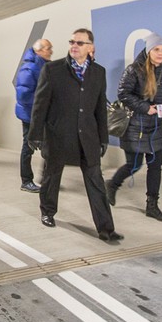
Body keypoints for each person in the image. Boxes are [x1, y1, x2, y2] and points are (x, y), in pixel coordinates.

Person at [28, 28, 123, 242]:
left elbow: (99, 108)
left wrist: (103, 138)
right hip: (58, 135)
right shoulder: (52, 70)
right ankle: (47, 212)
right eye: (72, 42)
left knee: (96, 182)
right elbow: (40, 105)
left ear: (91, 47)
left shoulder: (98, 72)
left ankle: (106, 228)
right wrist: (35, 134)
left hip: (87, 138)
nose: (74, 46)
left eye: (80, 43)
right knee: (52, 176)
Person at [105, 33, 162, 222]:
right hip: (135, 125)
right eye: (156, 49)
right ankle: (112, 185)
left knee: (156, 167)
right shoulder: (134, 70)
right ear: (148, 51)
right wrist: (145, 108)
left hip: (155, 126)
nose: (160, 53)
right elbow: (123, 94)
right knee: (134, 165)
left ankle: (152, 206)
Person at [14, 39, 53, 192]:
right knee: (28, 147)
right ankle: (26, 181)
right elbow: (23, 95)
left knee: (50, 146)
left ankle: (45, 177)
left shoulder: (45, 66)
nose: (51, 51)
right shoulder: (29, 68)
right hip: (30, 115)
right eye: (48, 48)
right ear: (39, 50)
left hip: (43, 115)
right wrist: (41, 104)